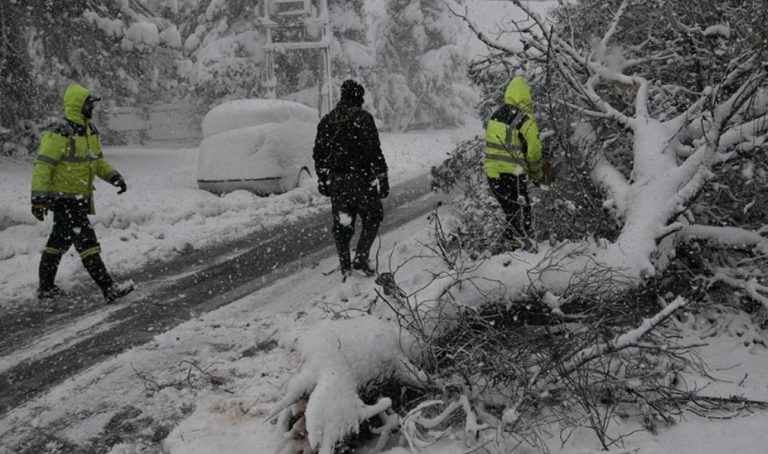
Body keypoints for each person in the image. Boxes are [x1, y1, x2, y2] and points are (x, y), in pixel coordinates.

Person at [31, 83, 134, 303]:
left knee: (58, 242)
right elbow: (43, 166)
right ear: (78, 104)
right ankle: (108, 288)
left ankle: (46, 287)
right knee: (87, 243)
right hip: (63, 198)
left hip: (79, 198)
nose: (92, 107)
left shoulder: (90, 131)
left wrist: (114, 176)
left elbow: (96, 162)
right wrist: (38, 199)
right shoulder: (59, 132)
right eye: (89, 103)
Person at [313, 79, 389, 280]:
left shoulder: (327, 121)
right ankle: (362, 257)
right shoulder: (362, 118)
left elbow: (318, 154)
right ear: (358, 97)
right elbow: (374, 151)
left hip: (337, 181)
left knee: (342, 224)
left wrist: (323, 179)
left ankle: (345, 266)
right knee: (373, 215)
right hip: (361, 178)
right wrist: (383, 177)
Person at [484, 76, 543, 250]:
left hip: (493, 175)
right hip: (513, 175)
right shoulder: (524, 119)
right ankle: (523, 254)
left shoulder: (495, 115)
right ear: (526, 96)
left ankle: (510, 251)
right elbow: (533, 150)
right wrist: (537, 174)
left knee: (511, 214)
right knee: (523, 218)